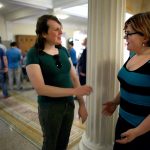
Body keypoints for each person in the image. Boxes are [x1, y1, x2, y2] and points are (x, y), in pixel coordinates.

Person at [26, 14, 92, 150]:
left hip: (68, 106)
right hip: (50, 108)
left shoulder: (62, 50)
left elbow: (74, 78)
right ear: (44, 33)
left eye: (60, 29)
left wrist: (82, 104)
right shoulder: (34, 54)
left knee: (63, 142)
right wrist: (75, 91)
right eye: (56, 29)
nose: (61, 32)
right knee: (50, 143)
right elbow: (41, 88)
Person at [102, 12, 150, 150]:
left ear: (145, 36)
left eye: (128, 33)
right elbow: (127, 85)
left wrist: (137, 131)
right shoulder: (133, 54)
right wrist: (115, 102)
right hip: (123, 121)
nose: (125, 37)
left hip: (143, 131)